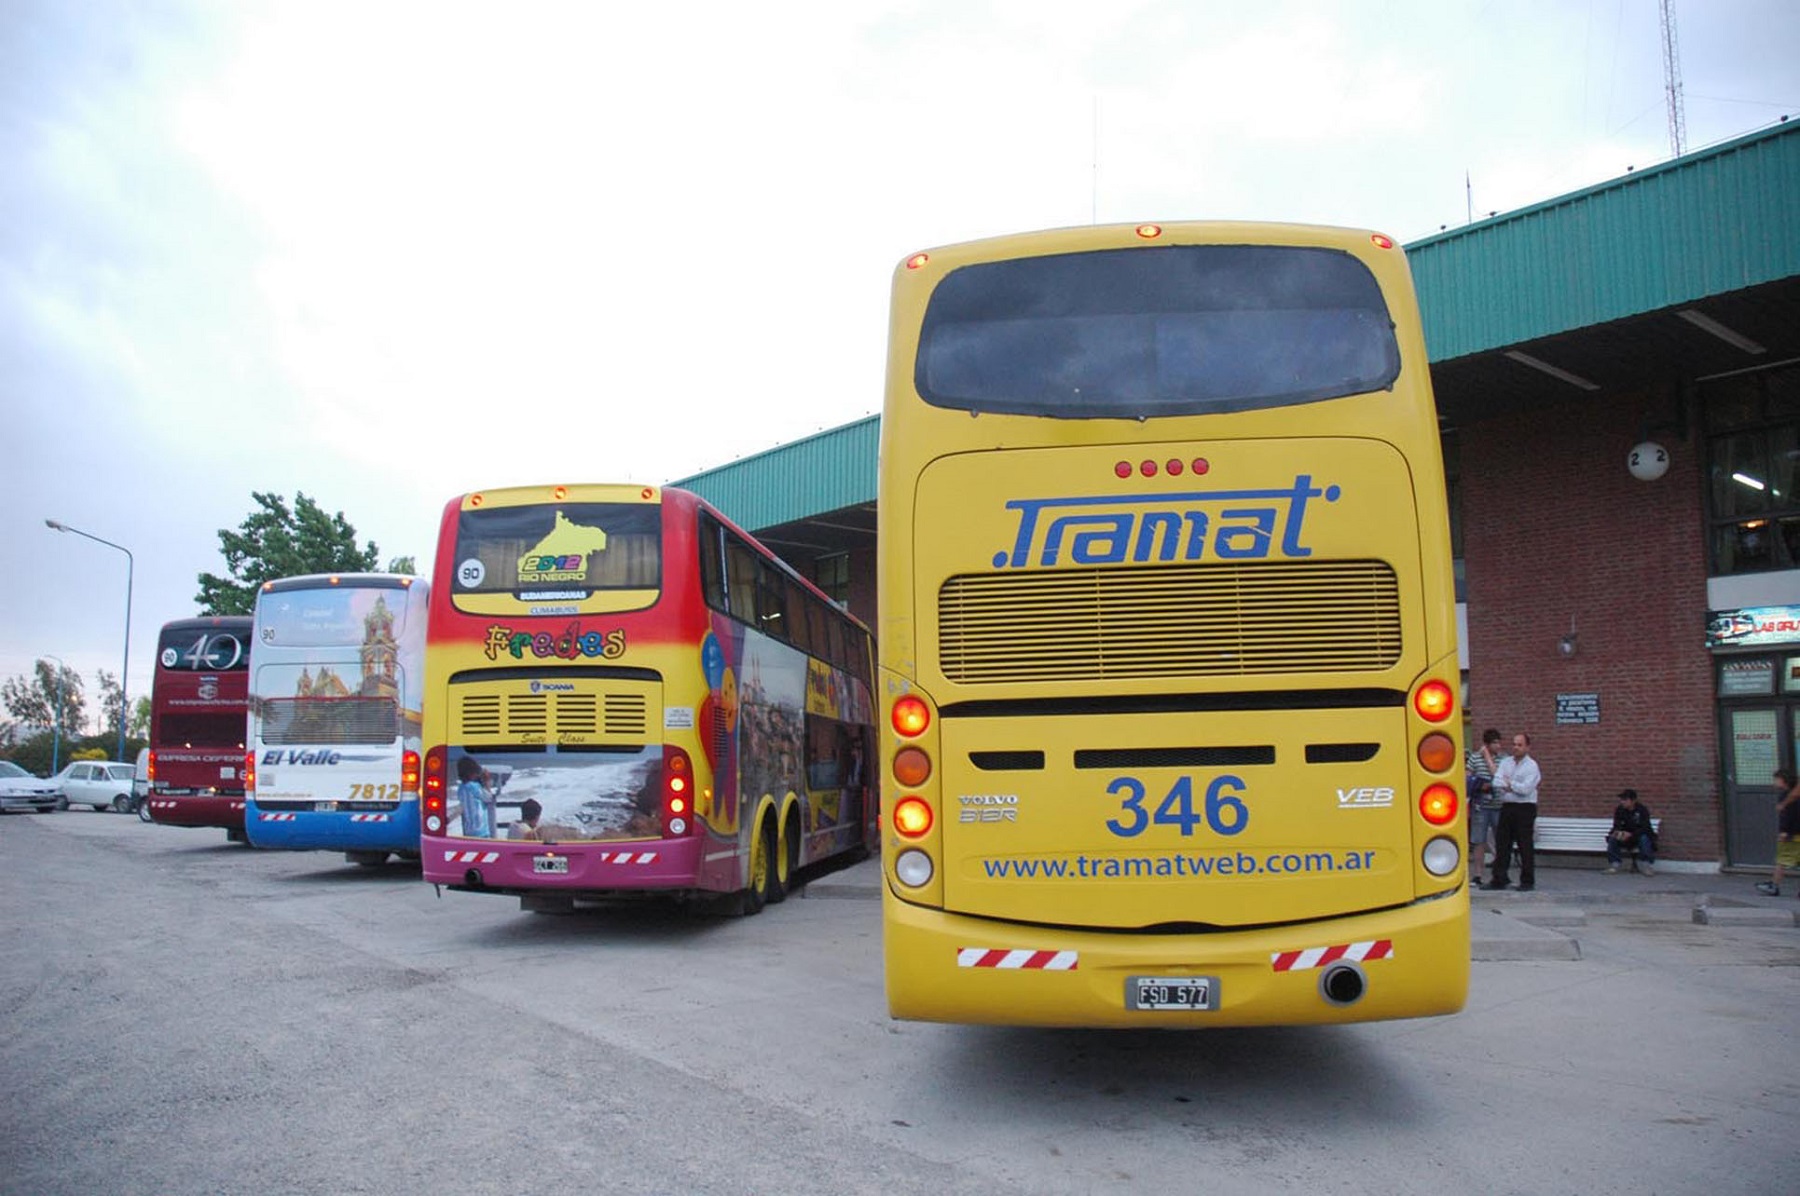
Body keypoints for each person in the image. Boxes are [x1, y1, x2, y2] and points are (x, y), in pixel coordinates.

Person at [1482, 731, 1541, 892]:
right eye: (1514, 744)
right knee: (1502, 843)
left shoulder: (1532, 766)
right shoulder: (1506, 762)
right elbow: (1497, 781)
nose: (1516, 747)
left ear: (1527, 747)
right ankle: (1499, 878)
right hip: (1507, 806)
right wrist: (1511, 785)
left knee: (1524, 844)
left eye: (1520, 745)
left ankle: (1527, 881)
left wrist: (1509, 784)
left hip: (1525, 807)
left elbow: (1526, 789)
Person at [1465, 728, 1503, 885]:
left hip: (1498, 805)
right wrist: (1478, 785)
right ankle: (1478, 875)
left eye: (1499, 742)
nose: (1498, 746)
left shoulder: (1503, 759)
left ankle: (1499, 873)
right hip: (1480, 805)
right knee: (1478, 840)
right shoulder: (1474, 759)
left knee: (1500, 838)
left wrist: (1487, 756)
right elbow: (1467, 778)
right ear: (1487, 744)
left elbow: (1498, 776)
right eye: (1495, 743)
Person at [1754, 769, 1800, 897]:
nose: (1774, 782)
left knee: (1782, 860)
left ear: (1784, 780)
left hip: (1791, 835)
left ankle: (1774, 885)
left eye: (1776, 779)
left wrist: (1784, 831)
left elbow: (1788, 815)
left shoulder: (1787, 796)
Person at [1604, 788, 1656, 874]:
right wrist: (1618, 832)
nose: (1622, 802)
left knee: (1644, 839)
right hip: (1624, 836)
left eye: (1625, 800)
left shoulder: (1642, 810)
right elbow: (1617, 824)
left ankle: (1647, 865)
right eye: (1621, 799)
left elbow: (1645, 827)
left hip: (1638, 836)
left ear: (1633, 801)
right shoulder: (1620, 810)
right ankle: (1614, 864)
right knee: (1613, 838)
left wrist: (1631, 834)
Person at [455, 754, 495, 839]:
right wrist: (486, 781)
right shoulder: (474, 786)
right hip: (481, 830)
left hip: (469, 830)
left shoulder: (461, 788)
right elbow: (489, 798)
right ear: (471, 773)